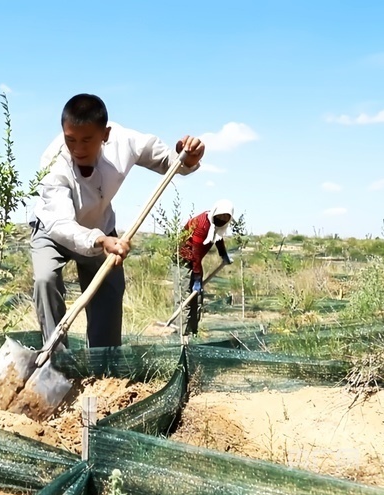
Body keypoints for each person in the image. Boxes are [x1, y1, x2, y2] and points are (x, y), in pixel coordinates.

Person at [31, 93, 205, 348]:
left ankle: (104, 367)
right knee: (45, 280)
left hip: (101, 229)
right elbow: (59, 222)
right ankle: (56, 362)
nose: (78, 148)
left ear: (105, 134)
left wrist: (187, 159)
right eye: (71, 139)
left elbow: (170, 163)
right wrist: (99, 240)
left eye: (87, 140)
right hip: (53, 231)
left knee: (109, 296)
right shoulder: (53, 162)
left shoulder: (125, 141)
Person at [177, 199, 235, 335]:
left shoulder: (217, 225)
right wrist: (197, 277)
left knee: (197, 297)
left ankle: (193, 333)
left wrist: (223, 254)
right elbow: (195, 252)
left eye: (226, 217)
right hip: (182, 258)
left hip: (196, 260)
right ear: (215, 213)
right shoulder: (202, 223)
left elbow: (218, 237)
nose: (222, 219)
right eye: (221, 216)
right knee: (185, 296)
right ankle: (182, 334)